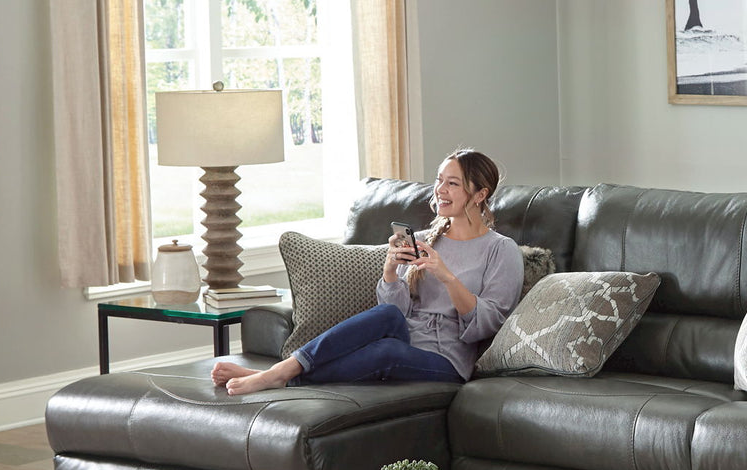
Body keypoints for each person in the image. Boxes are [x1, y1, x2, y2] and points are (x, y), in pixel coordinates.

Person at [211, 149, 523, 395]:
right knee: (386, 315)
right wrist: (390, 270)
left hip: (448, 360)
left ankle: (281, 374)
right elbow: (396, 311)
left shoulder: (501, 250)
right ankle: (282, 372)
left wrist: (447, 276)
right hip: (408, 336)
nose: (440, 189)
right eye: (439, 180)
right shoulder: (426, 239)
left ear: (479, 194)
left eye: (452, 183)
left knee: (386, 350)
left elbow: (489, 324)